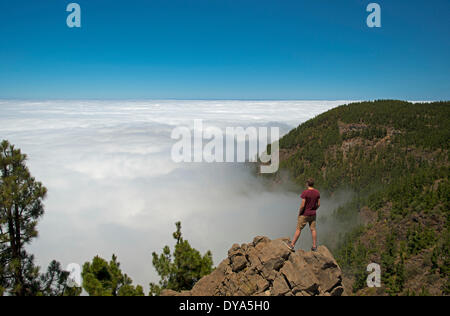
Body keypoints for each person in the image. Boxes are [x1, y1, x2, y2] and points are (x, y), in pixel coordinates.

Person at [285, 178, 320, 252]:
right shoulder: (317, 192)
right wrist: (314, 209)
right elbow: (319, 204)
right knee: (313, 229)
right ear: (313, 184)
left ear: (307, 184)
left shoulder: (305, 193)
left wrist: (300, 213)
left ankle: (292, 245)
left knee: (298, 229)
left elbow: (302, 205)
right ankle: (314, 246)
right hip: (313, 214)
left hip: (304, 214)